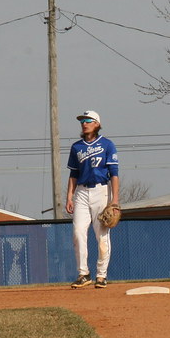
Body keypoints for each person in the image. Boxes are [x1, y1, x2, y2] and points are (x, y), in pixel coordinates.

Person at [65, 110, 120, 289]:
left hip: (101, 191)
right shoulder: (76, 147)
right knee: (78, 232)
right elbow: (73, 174)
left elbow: (114, 174)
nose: (84, 123)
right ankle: (83, 274)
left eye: (88, 120)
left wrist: (115, 201)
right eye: (82, 120)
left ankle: (101, 275)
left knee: (101, 235)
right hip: (81, 192)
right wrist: (69, 197)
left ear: (96, 123)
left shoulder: (107, 145)